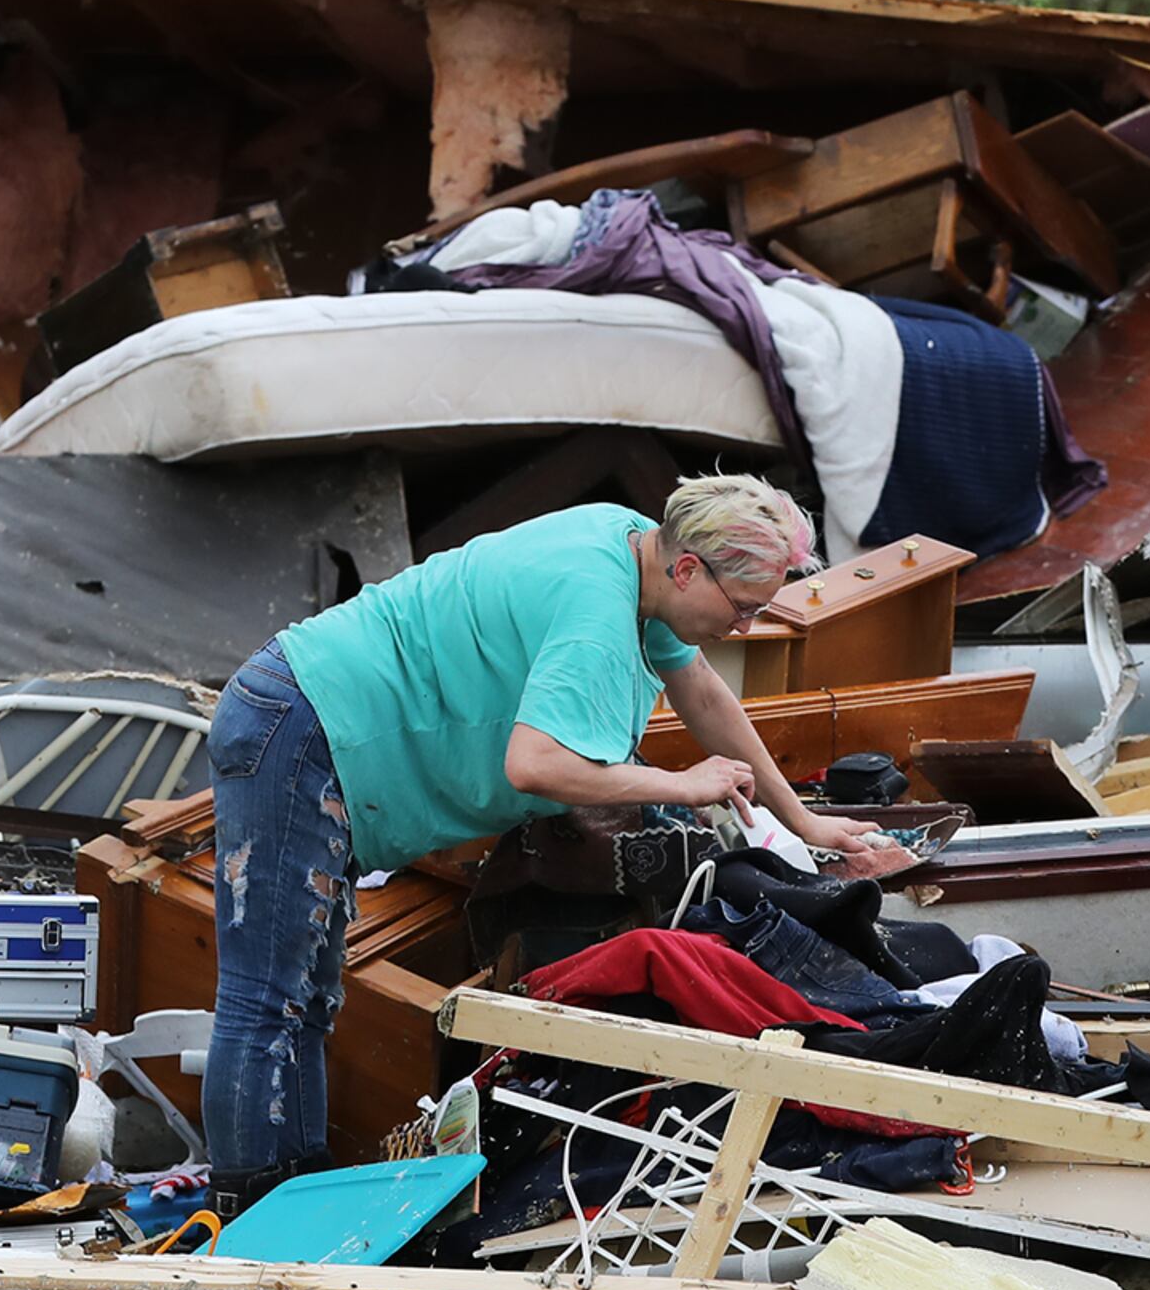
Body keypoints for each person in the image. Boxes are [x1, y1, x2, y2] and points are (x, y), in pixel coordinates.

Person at [197, 475, 916, 1207]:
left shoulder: (639, 547)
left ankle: (290, 1202)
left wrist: (805, 822)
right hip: (305, 723)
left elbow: (699, 688)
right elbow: (536, 763)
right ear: (691, 568)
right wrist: (683, 785)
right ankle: (245, 1215)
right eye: (743, 608)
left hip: (318, 717)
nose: (746, 628)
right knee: (267, 1001)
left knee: (308, 1002)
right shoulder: (597, 611)